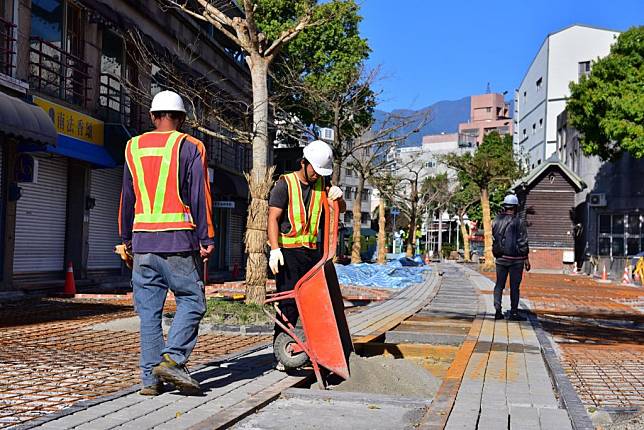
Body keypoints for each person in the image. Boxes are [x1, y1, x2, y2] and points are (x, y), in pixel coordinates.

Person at [119, 90, 215, 396]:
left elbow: (126, 196)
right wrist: (207, 236)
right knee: (192, 300)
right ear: (183, 119)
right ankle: (172, 360)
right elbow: (200, 195)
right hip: (177, 241)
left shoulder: (132, 146)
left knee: (149, 313)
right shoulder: (190, 146)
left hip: (143, 241)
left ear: (151, 116)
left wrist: (125, 238)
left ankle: (150, 382)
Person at [267, 140, 345, 368]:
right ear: (304, 163)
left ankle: (315, 351)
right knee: (288, 303)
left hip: (312, 254)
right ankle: (282, 355)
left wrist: (339, 197)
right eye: (315, 170)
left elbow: (339, 209)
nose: (317, 176)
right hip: (287, 254)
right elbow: (273, 217)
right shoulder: (285, 184)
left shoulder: (323, 184)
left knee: (314, 304)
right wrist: (274, 250)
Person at [492, 194, 530, 321]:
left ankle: (498, 311)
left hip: (501, 258)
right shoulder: (519, 222)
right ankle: (514, 312)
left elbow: (495, 238)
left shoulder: (496, 220)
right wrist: (526, 258)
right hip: (516, 260)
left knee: (499, 285)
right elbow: (523, 242)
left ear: (505, 206)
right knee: (514, 287)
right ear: (515, 207)